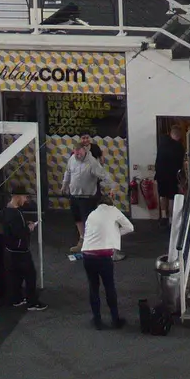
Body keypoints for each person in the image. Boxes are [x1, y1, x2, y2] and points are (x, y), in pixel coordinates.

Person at [79, 192, 134, 329]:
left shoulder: (92, 214)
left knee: (93, 288)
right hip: (104, 256)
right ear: (111, 204)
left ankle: (97, 320)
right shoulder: (114, 210)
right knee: (109, 287)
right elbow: (130, 227)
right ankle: (115, 320)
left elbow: (88, 234)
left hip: (87, 255)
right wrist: (114, 233)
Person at [61, 137, 110, 249]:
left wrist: (112, 187)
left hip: (87, 197)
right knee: (77, 219)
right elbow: (67, 172)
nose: (77, 156)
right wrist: (64, 185)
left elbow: (104, 175)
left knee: (88, 221)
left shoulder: (92, 162)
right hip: (74, 195)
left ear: (85, 151)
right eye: (75, 153)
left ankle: (92, 243)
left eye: (79, 154)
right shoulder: (72, 159)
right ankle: (82, 240)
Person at [1, 191, 46, 310]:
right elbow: (19, 233)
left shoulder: (6, 210)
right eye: (24, 197)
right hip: (20, 250)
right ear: (17, 196)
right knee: (30, 275)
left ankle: (16, 299)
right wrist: (29, 228)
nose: (26, 200)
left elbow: (14, 228)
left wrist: (24, 225)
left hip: (10, 250)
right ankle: (32, 302)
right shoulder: (15, 213)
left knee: (15, 275)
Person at [154, 122, 186, 223]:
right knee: (172, 197)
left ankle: (164, 216)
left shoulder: (162, 144)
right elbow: (181, 164)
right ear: (179, 135)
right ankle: (172, 220)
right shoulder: (179, 148)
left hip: (160, 175)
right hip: (172, 176)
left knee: (163, 195)